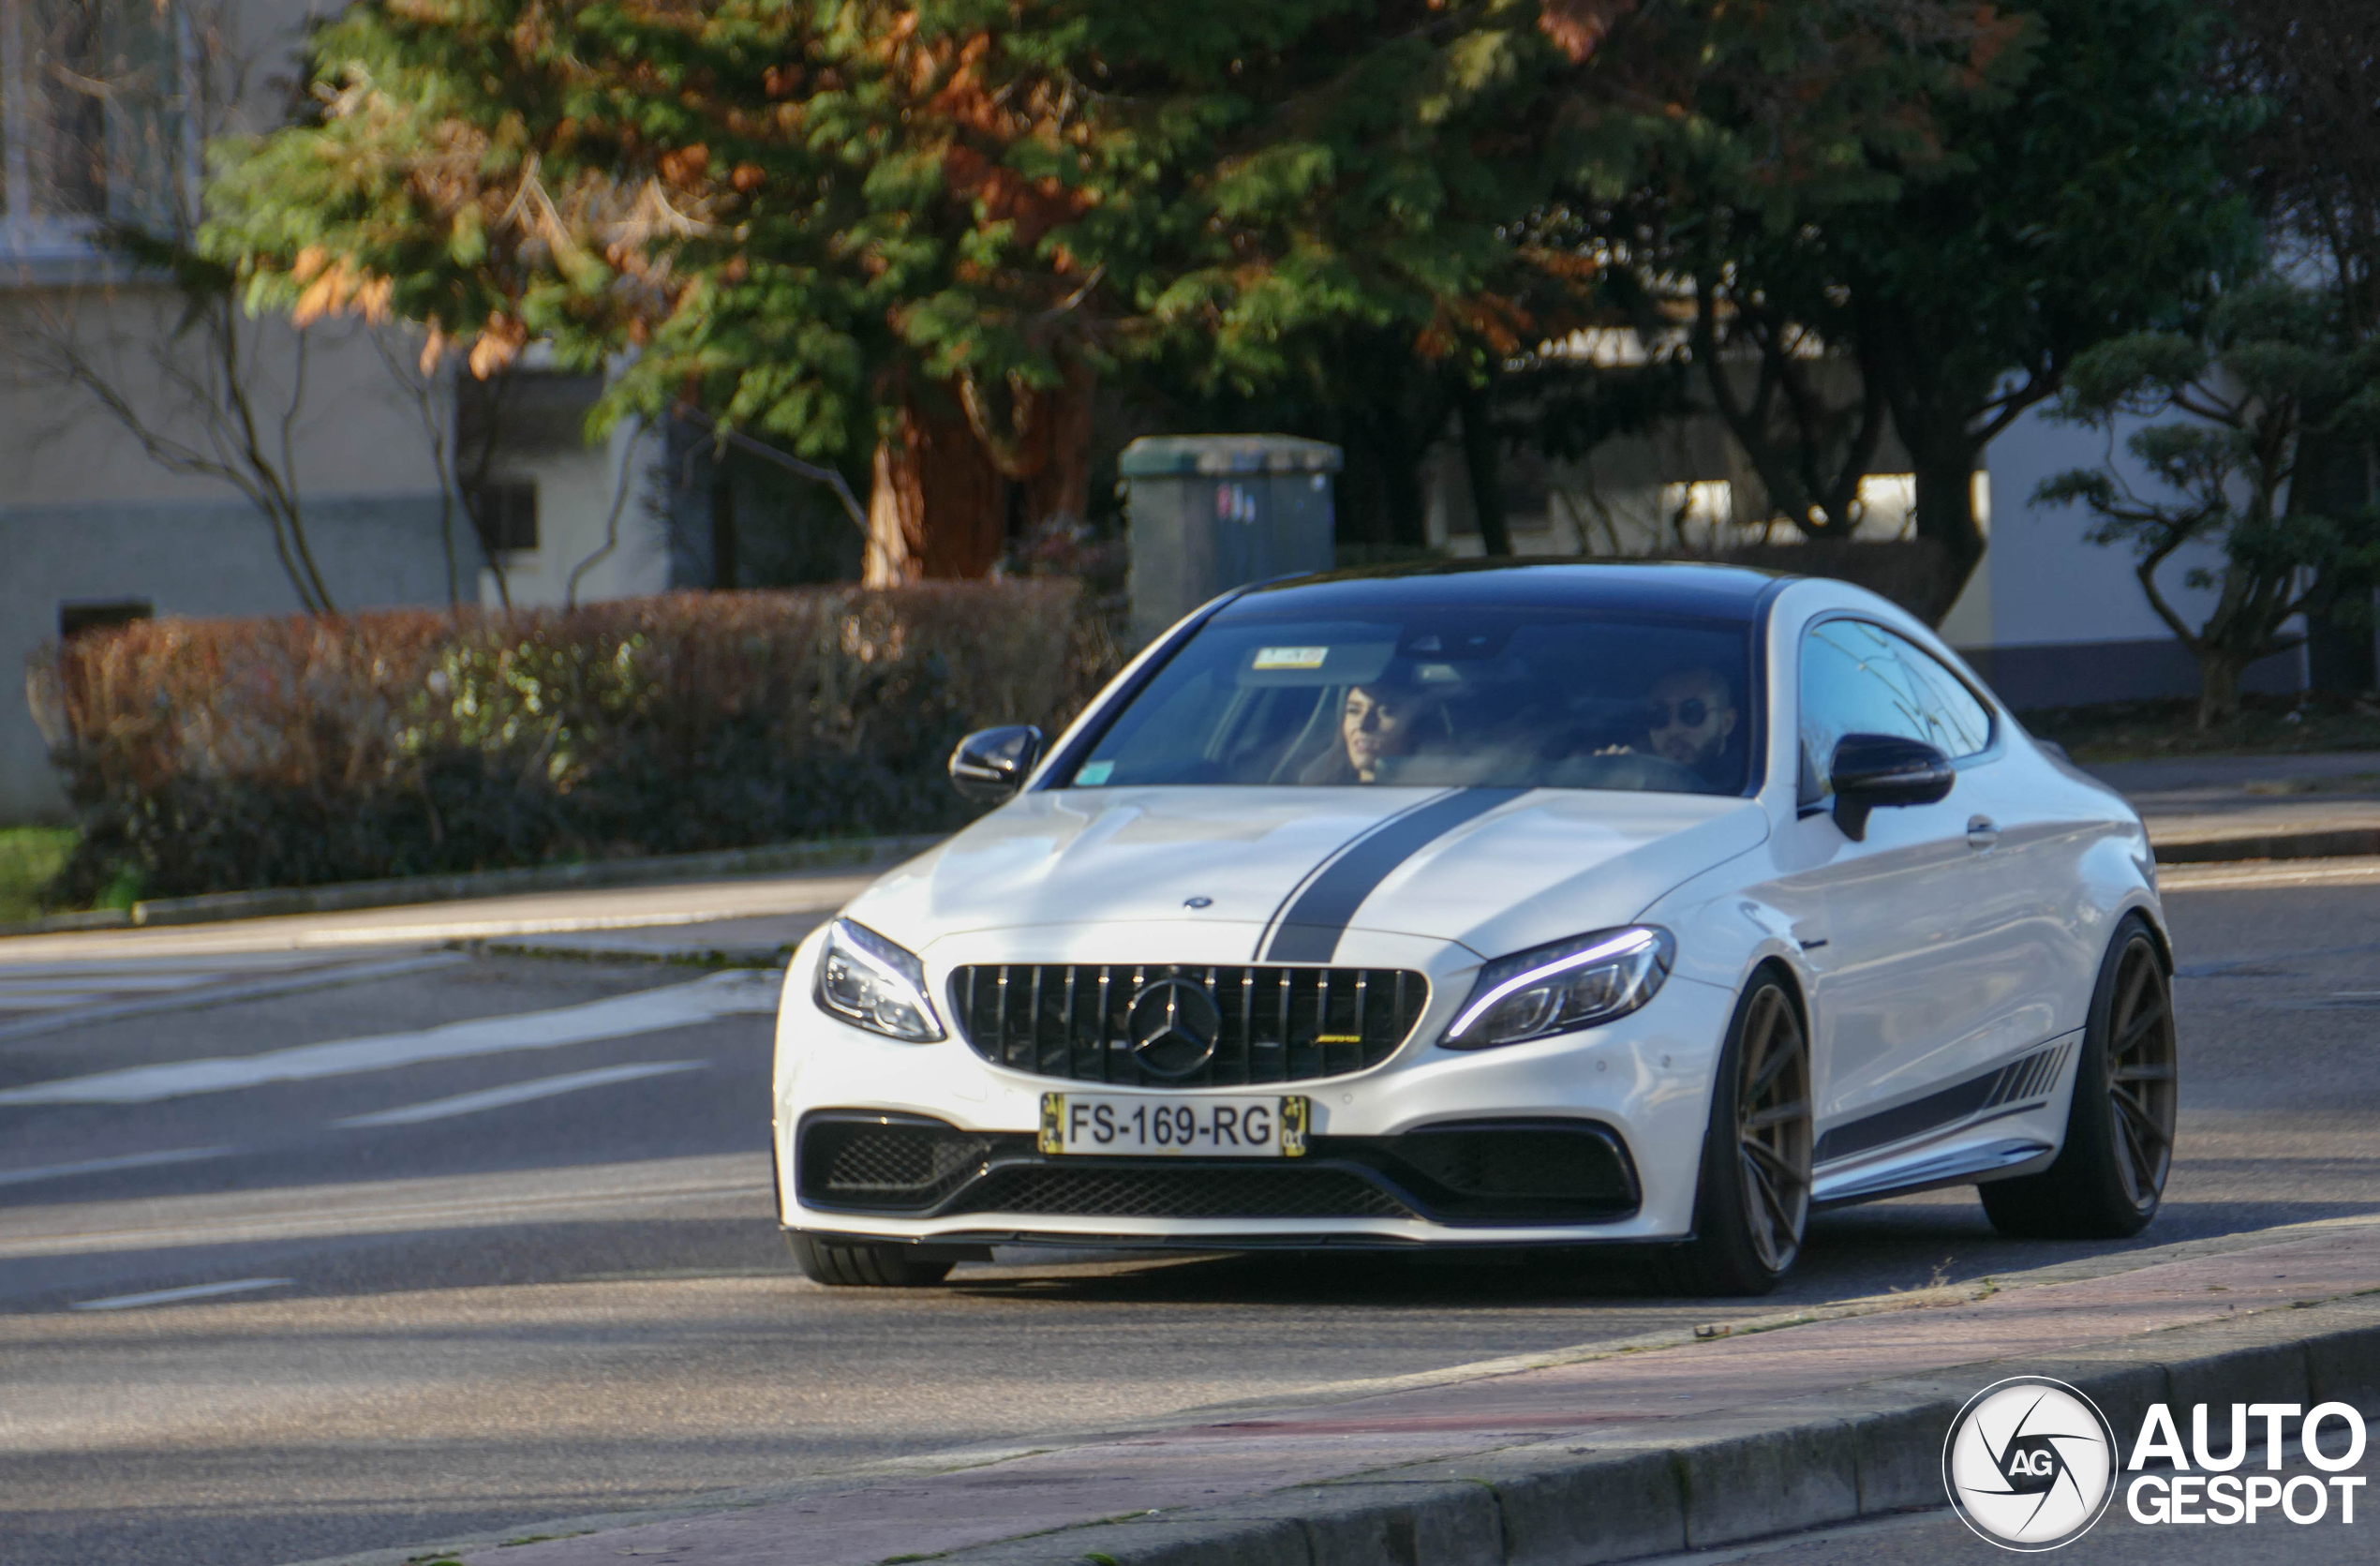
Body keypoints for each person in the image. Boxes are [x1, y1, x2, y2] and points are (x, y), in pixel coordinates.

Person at [1301, 679, 1443, 783]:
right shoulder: (1313, 795)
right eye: (1353, 711)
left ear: (1414, 729)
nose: (1364, 725)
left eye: (1386, 712)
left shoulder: (1440, 798)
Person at [1638, 665, 1741, 788]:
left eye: (1692, 714)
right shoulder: (1638, 773)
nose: (1674, 730)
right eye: (1659, 715)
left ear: (1726, 723)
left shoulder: (1746, 783)